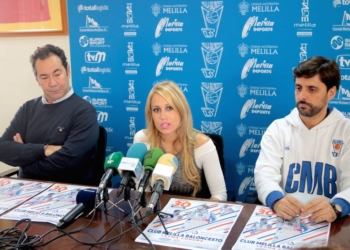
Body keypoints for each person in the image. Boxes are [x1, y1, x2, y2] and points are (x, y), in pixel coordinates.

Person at [255, 56, 350, 223]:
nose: (302, 96)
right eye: (299, 88)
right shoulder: (278, 128)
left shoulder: (346, 131)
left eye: (312, 89)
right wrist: (276, 200)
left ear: (331, 93)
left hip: (332, 222)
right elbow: (265, 174)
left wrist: (336, 207)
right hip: (287, 219)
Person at [0, 44, 99, 184]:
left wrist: (23, 159)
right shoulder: (27, 109)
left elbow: (68, 163)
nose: (52, 83)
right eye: (44, 77)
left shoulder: (84, 111)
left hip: (68, 190)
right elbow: (3, 149)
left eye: (57, 74)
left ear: (67, 71)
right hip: (26, 187)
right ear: (37, 79)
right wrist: (44, 149)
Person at [133, 81, 227, 201]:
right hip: (152, 212)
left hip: (191, 215)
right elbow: (141, 188)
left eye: (169, 108)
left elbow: (220, 195)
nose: (163, 116)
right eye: (156, 110)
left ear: (181, 111)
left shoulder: (202, 144)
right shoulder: (142, 140)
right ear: (150, 115)